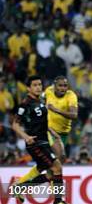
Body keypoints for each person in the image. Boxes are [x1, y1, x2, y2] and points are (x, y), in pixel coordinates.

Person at [10, 76, 67, 204]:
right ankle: (58, 201)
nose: (38, 87)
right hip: (35, 142)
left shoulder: (41, 101)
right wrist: (26, 137)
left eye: (40, 85)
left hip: (45, 140)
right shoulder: (25, 104)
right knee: (57, 167)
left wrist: (54, 133)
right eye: (34, 85)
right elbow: (15, 124)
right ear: (28, 88)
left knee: (51, 174)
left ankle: (20, 187)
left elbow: (43, 122)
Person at [44, 76, 78, 161]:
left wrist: (56, 110)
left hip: (63, 133)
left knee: (59, 159)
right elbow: (41, 99)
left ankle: (44, 173)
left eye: (65, 85)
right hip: (49, 130)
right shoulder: (48, 91)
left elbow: (74, 115)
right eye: (60, 85)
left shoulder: (71, 96)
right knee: (58, 155)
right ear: (55, 86)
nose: (63, 88)